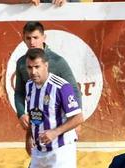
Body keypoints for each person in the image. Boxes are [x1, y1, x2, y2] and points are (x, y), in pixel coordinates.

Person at [19, 47, 84, 168]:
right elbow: (34, 114)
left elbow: (78, 118)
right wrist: (29, 136)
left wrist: (55, 132)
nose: (33, 72)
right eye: (29, 67)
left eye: (37, 67)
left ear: (46, 66)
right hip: (39, 153)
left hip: (60, 153)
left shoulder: (61, 86)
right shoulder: (29, 86)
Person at [13, 21, 80, 155]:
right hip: (36, 120)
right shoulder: (21, 62)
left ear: (44, 38)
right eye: (28, 38)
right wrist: (21, 113)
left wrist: (77, 122)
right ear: (23, 39)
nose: (32, 42)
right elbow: (20, 92)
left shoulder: (57, 61)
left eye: (36, 37)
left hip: (58, 123)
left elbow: (73, 89)